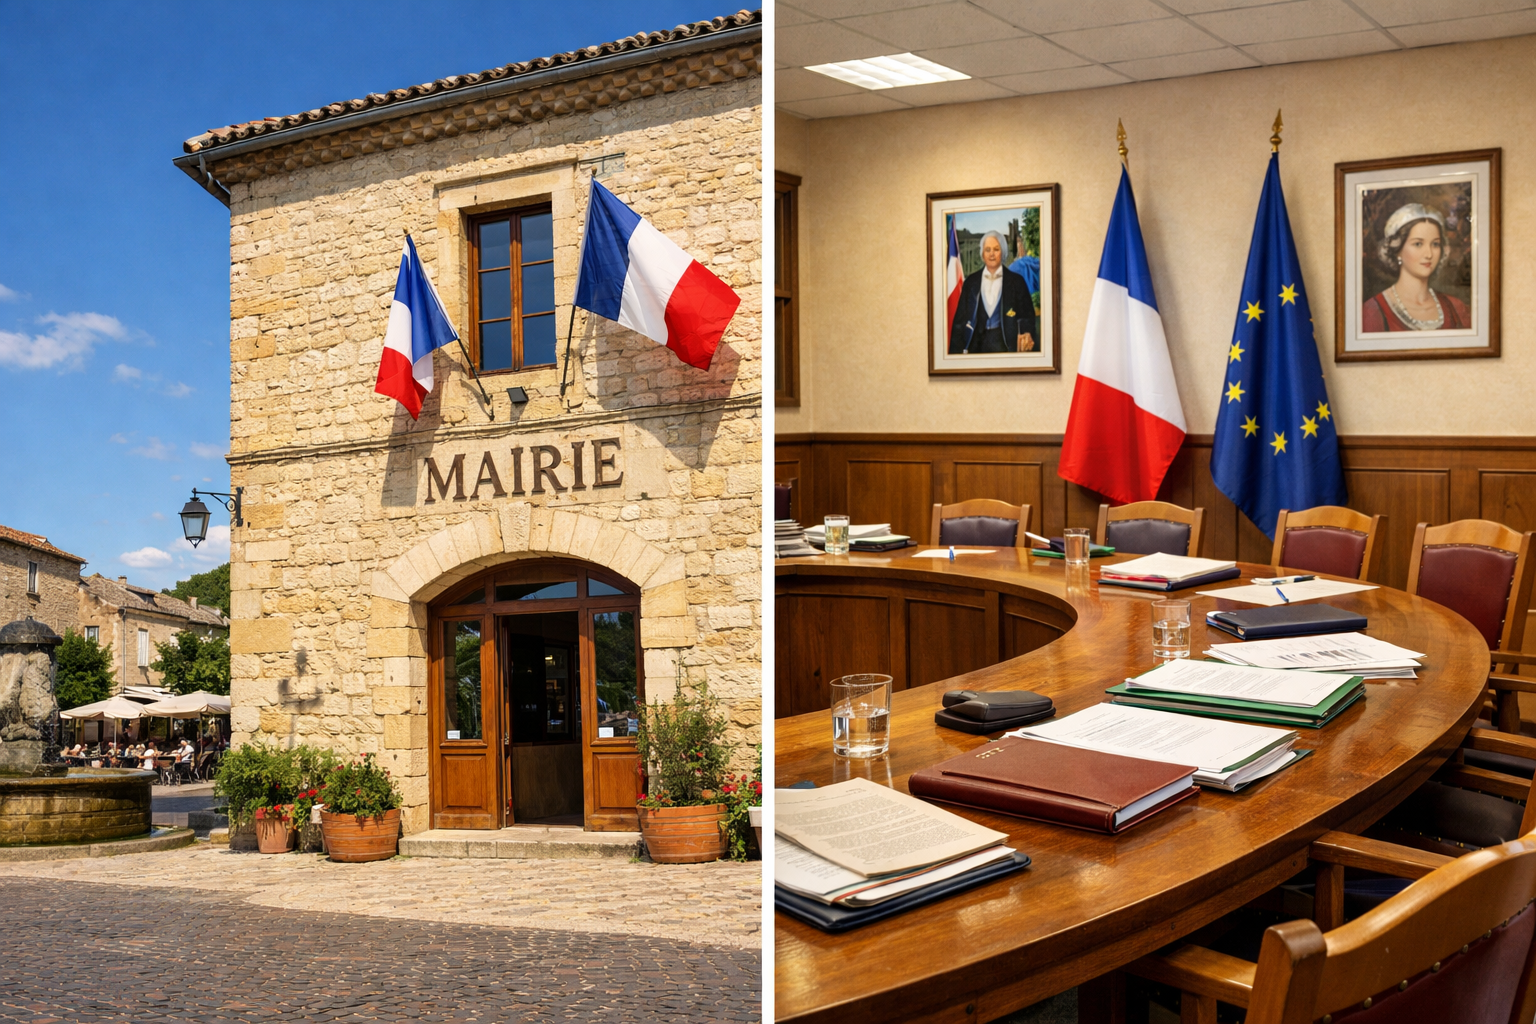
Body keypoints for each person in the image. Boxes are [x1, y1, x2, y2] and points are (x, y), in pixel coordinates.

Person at [1362, 203, 1471, 332]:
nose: (1429, 254)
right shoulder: (1372, 312)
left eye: (1435, 244)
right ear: (1397, 249)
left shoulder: (1457, 308)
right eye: (1418, 244)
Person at [949, 230, 1038, 354]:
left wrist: (1025, 334)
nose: (991, 254)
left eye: (996, 249)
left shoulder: (1017, 282)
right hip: (976, 346)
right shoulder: (971, 282)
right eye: (987, 250)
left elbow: (1027, 317)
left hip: (1006, 345)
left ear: (1003, 252)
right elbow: (959, 323)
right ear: (982, 254)